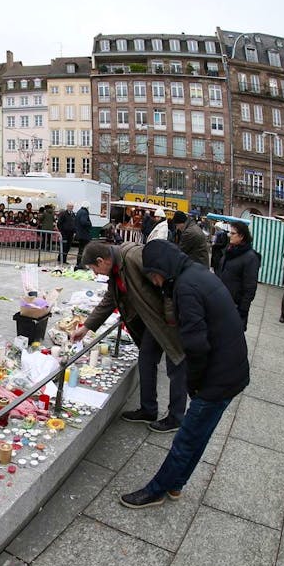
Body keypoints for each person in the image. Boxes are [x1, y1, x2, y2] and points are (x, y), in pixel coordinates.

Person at [120, 239, 249, 508]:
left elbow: (195, 345)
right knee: (200, 434)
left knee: (187, 437)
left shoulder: (185, 287)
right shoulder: (196, 273)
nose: (154, 282)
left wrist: (195, 384)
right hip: (232, 369)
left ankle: (155, 491)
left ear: (162, 268)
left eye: (153, 276)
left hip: (219, 376)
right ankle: (176, 484)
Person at [71, 240, 187, 434]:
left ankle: (176, 417)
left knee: (176, 365)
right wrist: (86, 328)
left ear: (101, 261)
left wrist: (170, 317)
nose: (95, 274)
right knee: (146, 360)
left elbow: (169, 280)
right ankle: (148, 410)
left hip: (169, 320)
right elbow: (110, 299)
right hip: (153, 321)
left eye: (93, 269)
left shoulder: (133, 257)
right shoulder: (115, 270)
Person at [214, 222, 261, 331]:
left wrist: (242, 310)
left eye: (233, 233)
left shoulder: (250, 257)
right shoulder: (230, 250)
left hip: (234, 306)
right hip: (221, 301)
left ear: (241, 236)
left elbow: (250, 288)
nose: (229, 235)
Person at [73, 202, 93, 269]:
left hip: (79, 234)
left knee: (80, 249)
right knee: (84, 250)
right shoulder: (84, 212)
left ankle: (79, 263)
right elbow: (83, 222)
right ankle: (81, 264)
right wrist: (89, 223)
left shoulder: (79, 211)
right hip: (84, 234)